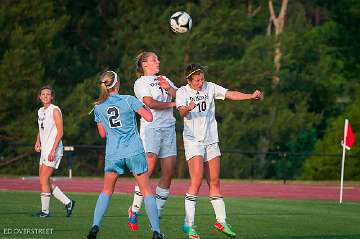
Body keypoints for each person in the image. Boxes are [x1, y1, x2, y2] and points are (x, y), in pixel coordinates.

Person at [176, 64, 263, 239]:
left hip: (211, 140)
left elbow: (230, 94)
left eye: (202, 79)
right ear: (189, 80)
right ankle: (189, 224)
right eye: (197, 80)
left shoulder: (210, 87)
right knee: (197, 180)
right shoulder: (182, 92)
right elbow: (182, 113)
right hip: (193, 141)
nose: (201, 82)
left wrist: (250, 96)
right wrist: (188, 107)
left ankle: (221, 221)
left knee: (214, 181)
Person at [86, 70, 164, 239]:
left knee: (106, 190)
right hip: (134, 151)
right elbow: (149, 117)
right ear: (118, 84)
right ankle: (156, 232)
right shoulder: (129, 100)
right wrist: (144, 105)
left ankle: (95, 226)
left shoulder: (98, 107)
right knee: (146, 191)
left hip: (114, 153)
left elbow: (102, 134)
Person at [128, 52, 177, 230]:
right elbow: (149, 103)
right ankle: (134, 209)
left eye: (158, 58)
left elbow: (181, 96)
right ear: (144, 64)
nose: (158, 61)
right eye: (154, 59)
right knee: (147, 169)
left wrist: (170, 89)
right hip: (151, 129)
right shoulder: (140, 83)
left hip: (169, 129)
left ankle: (155, 215)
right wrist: (173, 104)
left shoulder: (165, 79)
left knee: (168, 173)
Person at [34, 85, 75, 218]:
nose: (45, 96)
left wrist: (52, 150)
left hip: (54, 149)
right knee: (44, 180)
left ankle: (45, 212)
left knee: (44, 179)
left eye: (48, 94)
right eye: (43, 94)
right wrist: (37, 141)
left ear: (52, 97)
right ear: (39, 97)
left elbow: (60, 131)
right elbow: (41, 129)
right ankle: (68, 202)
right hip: (44, 150)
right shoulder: (40, 111)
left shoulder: (55, 110)